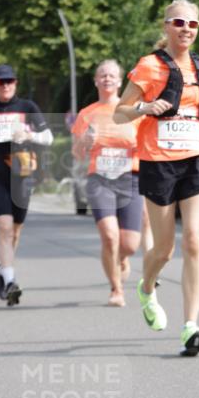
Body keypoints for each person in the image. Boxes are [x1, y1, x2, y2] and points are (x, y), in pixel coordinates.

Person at [114, 0, 199, 355]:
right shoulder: (149, 66)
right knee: (165, 249)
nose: (186, 28)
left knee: (195, 241)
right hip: (158, 161)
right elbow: (119, 114)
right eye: (179, 22)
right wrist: (143, 107)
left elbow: (197, 115)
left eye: (193, 24)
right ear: (166, 26)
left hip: (197, 156)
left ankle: (191, 326)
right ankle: (147, 287)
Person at [71, 60, 147, 307]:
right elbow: (78, 153)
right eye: (102, 75)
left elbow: (146, 143)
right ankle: (116, 289)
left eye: (111, 75)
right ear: (96, 81)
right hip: (99, 180)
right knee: (109, 236)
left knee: (130, 244)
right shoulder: (87, 113)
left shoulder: (132, 111)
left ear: (119, 81)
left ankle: (122, 259)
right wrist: (85, 140)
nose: (106, 79)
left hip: (130, 179)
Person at [0, 64, 53, 306]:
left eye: (10, 81)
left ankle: (2, 268)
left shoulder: (28, 107)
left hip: (22, 173)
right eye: (1, 82)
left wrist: (29, 135)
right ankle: (10, 281)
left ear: (16, 83)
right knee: (5, 227)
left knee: (16, 230)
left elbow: (49, 138)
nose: (6, 85)